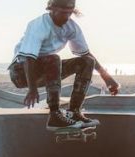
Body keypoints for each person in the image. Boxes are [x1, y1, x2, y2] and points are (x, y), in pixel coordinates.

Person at [9, 0, 119, 130]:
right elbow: (28, 58)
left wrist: (106, 77)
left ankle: (74, 112)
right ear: (52, 9)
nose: (66, 17)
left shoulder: (72, 28)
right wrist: (32, 89)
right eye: (62, 13)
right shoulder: (39, 25)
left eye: (69, 13)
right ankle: (54, 114)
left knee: (87, 61)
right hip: (21, 72)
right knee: (53, 58)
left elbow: (86, 54)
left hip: (47, 69)